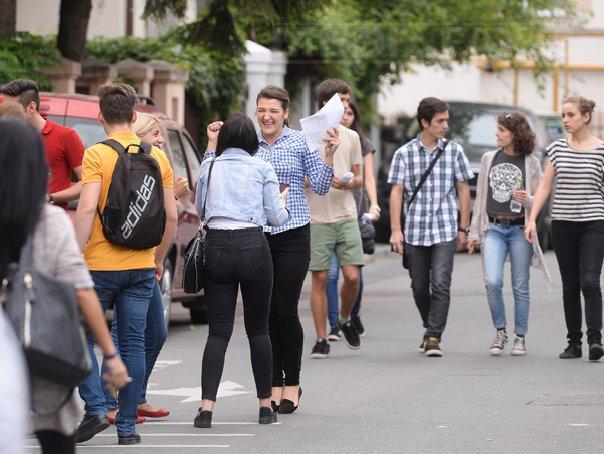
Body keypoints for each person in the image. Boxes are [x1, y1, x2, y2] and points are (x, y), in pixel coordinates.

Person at [205, 85, 338, 413]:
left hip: (292, 234)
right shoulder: (247, 145)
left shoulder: (300, 142)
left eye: (274, 111)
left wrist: (329, 155)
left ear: (286, 113)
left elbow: (321, 186)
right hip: (256, 238)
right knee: (263, 316)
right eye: (262, 110)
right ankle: (273, 383)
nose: (267, 117)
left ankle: (292, 382)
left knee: (284, 309)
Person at [0, 118, 129, 454]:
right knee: (56, 439)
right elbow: (82, 290)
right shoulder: (49, 222)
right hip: (41, 351)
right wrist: (110, 355)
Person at [74, 83, 177, 445]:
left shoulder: (96, 154)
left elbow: (87, 207)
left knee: (78, 336)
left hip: (98, 266)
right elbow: (171, 216)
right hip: (140, 265)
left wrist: (75, 254)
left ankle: (96, 407)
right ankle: (127, 427)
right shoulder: (158, 156)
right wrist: (158, 259)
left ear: (100, 116)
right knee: (133, 343)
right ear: (134, 116)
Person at [193, 113, 290, 428]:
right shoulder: (262, 167)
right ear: (252, 141)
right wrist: (284, 202)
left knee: (218, 332)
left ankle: (206, 410)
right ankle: (265, 406)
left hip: (217, 246)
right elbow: (276, 218)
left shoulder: (210, 165)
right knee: (259, 330)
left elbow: (200, 209)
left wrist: (210, 147)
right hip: (252, 245)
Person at [101, 112, 190, 423]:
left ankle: (134, 396)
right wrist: (173, 195)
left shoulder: (154, 162)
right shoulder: (125, 162)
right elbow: (137, 210)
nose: (161, 140)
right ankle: (109, 401)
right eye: (155, 134)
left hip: (144, 259)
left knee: (155, 331)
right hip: (127, 260)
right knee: (124, 334)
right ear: (139, 134)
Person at [388, 97, 473, 357]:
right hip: (414, 229)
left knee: (441, 283)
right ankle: (430, 325)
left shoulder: (454, 151)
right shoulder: (404, 153)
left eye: (447, 120)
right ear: (425, 123)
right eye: (440, 121)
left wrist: (464, 228)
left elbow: (463, 189)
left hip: (444, 227)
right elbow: (396, 192)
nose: (445, 125)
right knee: (418, 287)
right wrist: (395, 230)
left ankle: (434, 336)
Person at [526, 96, 604, 362]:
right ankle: (574, 343)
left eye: (571, 115)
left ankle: (595, 340)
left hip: (594, 222)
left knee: (589, 281)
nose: (565, 120)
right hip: (562, 224)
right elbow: (545, 186)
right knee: (570, 285)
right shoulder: (557, 148)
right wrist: (532, 219)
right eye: (563, 115)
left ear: (586, 117)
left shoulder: (601, 150)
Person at [468, 112, 550, 356]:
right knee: (492, 281)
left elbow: (538, 200)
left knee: (520, 285)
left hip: (519, 230)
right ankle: (500, 331)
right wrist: (474, 233)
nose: (497, 134)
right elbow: (480, 198)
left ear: (515, 134)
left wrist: (528, 199)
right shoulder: (489, 158)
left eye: (502, 130)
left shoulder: (531, 162)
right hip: (493, 228)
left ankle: (520, 336)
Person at [307, 79, 364, 357]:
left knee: (352, 276)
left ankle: (343, 318)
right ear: (325, 104)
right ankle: (321, 338)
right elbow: (300, 175)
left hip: (346, 213)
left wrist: (349, 182)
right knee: (319, 278)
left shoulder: (351, 136)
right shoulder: (307, 136)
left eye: (347, 101)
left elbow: (359, 176)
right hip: (317, 217)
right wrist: (318, 180)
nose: (345, 107)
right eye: (341, 101)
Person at [327, 101, 381, 342]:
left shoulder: (361, 141)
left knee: (354, 272)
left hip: (354, 211)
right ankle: (334, 324)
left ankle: (352, 314)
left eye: (350, 113)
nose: (346, 117)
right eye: (343, 113)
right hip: (327, 212)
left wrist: (374, 204)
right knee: (330, 274)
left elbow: (368, 177)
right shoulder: (323, 137)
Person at [0, 79, 85, 209]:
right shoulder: (6, 136)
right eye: (4, 108)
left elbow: (86, 182)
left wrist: (50, 198)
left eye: (11, 109)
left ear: (31, 107)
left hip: (50, 217)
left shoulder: (65, 136)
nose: (6, 115)